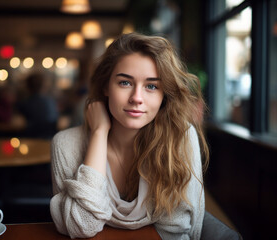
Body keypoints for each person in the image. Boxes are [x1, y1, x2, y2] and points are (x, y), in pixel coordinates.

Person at [49, 33, 209, 239]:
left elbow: (177, 232)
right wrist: (99, 133)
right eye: (125, 83)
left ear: (164, 95)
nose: (136, 98)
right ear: (106, 86)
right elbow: (82, 226)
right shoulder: (65, 144)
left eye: (151, 86)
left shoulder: (181, 138)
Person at [17, 72, 58, 138]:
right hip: (49, 139)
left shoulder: (25, 103)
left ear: (28, 87)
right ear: (44, 86)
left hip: (30, 138)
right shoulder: (51, 102)